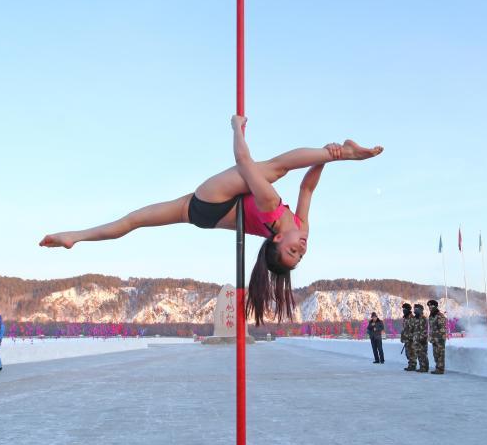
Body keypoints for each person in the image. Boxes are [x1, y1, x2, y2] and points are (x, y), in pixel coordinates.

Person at [40, 115, 383, 325]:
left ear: (278, 241)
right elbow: (308, 188)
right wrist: (327, 158)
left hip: (212, 201)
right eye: (301, 255)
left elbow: (242, 157)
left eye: (294, 253)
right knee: (134, 221)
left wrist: (237, 126)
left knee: (272, 169)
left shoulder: (270, 207)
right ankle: (75, 236)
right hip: (200, 215)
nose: (303, 248)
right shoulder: (301, 227)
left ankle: (350, 154)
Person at [427, 299, 447, 374]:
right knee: (435, 354)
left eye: (431, 306)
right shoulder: (431, 316)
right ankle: (437, 368)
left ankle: (440, 369)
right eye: (429, 306)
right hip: (434, 339)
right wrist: (430, 336)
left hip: (440, 339)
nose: (430, 308)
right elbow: (431, 328)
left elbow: (442, 329)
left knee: (440, 354)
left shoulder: (440, 316)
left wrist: (438, 338)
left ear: (435, 306)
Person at [411, 303, 430, 373]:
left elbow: (424, 329)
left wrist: (423, 338)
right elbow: (414, 329)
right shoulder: (415, 319)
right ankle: (422, 366)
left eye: (416, 309)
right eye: (414, 309)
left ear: (420, 310)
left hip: (422, 339)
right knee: (419, 353)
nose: (414, 311)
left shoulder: (423, 319)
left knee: (423, 354)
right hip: (416, 340)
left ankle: (425, 367)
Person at [400, 303, 417, 372]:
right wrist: (403, 337)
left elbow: (414, 329)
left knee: (412, 352)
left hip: (411, 339)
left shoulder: (412, 317)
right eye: (403, 309)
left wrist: (411, 337)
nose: (403, 310)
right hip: (406, 339)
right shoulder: (405, 318)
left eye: (405, 309)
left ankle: (413, 365)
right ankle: (410, 364)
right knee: (408, 353)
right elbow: (404, 329)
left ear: (408, 309)